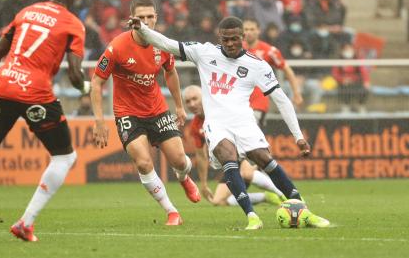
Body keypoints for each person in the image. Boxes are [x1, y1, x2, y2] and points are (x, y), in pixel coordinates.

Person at [127, 15, 330, 230]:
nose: (231, 43)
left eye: (235, 39)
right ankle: (252, 217)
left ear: (242, 37)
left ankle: (304, 211)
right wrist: (143, 30)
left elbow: (281, 100)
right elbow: (168, 44)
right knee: (228, 157)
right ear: (219, 38)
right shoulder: (204, 52)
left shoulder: (257, 65)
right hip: (217, 124)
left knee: (263, 158)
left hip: (244, 122)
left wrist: (298, 136)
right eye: (226, 39)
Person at [0, 0, 89, 242]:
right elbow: (76, 76)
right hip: (36, 94)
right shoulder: (74, 24)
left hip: (3, 86)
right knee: (65, 157)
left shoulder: (26, 12)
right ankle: (25, 223)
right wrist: (88, 89)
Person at [91, 0, 200, 226]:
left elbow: (170, 73)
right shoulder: (117, 47)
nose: (146, 21)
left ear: (156, 18)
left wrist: (179, 105)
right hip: (127, 112)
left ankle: (184, 177)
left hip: (157, 110)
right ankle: (172, 211)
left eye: (150, 16)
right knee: (143, 162)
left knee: (180, 161)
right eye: (141, 17)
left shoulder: (162, 45)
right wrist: (99, 120)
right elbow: (97, 82)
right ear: (132, 20)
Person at [183, 85, 285, 206]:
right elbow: (201, 156)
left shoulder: (222, 108)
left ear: (205, 97)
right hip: (230, 162)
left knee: (246, 172)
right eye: (188, 101)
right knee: (217, 201)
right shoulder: (195, 126)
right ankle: (266, 197)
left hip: (244, 148)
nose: (192, 104)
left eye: (195, 99)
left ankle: (284, 194)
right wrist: (204, 184)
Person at [243, 18, 303, 128]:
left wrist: (296, 93)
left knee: (249, 132)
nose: (249, 32)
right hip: (239, 100)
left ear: (259, 31)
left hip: (258, 102)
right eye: (246, 29)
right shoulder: (235, 49)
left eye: (252, 29)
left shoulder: (269, 51)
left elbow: (287, 70)